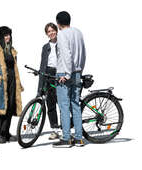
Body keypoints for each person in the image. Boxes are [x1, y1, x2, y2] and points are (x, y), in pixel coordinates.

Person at [53, 11, 86, 148]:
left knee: (64, 106)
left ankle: (66, 138)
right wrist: (79, 70)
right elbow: (83, 52)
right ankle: (79, 138)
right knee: (75, 105)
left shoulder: (61, 34)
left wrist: (66, 74)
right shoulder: (78, 32)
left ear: (58, 23)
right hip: (77, 71)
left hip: (64, 73)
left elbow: (66, 54)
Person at [0, 26, 24, 144]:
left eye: (9, 35)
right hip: (1, 83)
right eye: (5, 35)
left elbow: (14, 67)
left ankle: (6, 133)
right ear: (1, 37)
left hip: (12, 81)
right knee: (1, 109)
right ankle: (1, 134)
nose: (8, 37)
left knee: (11, 106)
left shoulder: (12, 50)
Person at [37, 23, 60, 140]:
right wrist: (40, 85)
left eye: (53, 30)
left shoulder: (62, 43)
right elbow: (42, 64)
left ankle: (67, 129)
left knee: (62, 103)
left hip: (60, 73)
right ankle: (55, 129)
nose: (51, 33)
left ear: (56, 30)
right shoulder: (45, 47)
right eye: (48, 32)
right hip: (48, 73)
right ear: (46, 34)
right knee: (50, 103)